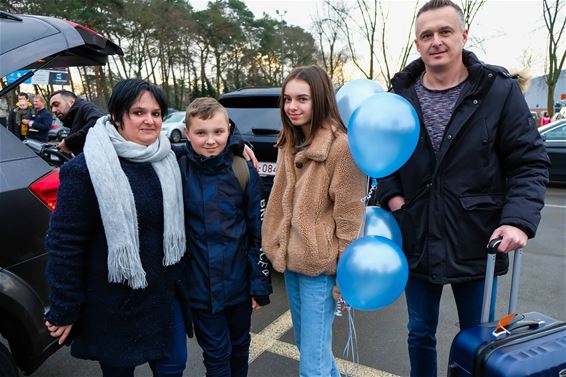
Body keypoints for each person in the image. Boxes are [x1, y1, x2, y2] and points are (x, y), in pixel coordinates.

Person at [375, 1, 550, 376]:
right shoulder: (398, 96)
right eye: (426, 35)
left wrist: (518, 221)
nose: (436, 41)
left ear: (464, 36)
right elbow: (381, 156)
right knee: (419, 331)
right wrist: (392, 197)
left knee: (479, 338)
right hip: (417, 234)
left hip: (478, 240)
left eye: (445, 32)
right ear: (417, 44)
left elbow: (529, 162)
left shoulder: (498, 91)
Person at [44, 79, 189, 377]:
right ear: (117, 117)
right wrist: (65, 308)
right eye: (138, 112)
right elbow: (64, 244)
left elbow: (211, 138)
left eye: (156, 112)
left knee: (174, 367)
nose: (150, 120)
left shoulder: (169, 157)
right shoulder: (84, 170)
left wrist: (239, 143)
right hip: (113, 304)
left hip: (162, 299)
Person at [261, 65, 367, 377]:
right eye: (287, 99)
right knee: (311, 347)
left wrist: (345, 277)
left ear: (320, 99)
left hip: (320, 267)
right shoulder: (289, 142)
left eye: (302, 99)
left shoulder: (342, 147)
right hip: (291, 261)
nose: (292, 106)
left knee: (312, 363)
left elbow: (350, 218)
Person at [176, 97, 272, 377]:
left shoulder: (241, 169)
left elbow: (258, 231)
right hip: (200, 287)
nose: (210, 140)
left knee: (241, 347)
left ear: (229, 130)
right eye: (200, 133)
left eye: (218, 132)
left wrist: (258, 284)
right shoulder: (178, 168)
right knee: (217, 356)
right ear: (187, 134)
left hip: (238, 284)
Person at [49, 90, 106, 155]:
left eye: (56, 104)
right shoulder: (74, 116)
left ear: (71, 101)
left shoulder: (85, 107)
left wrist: (68, 142)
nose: (53, 110)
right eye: (51, 108)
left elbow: (99, 122)